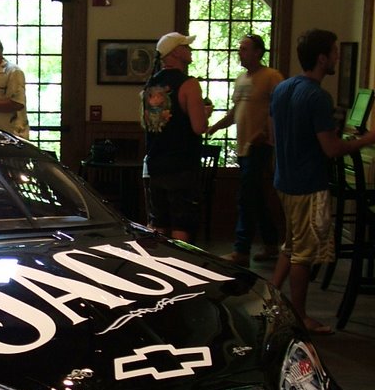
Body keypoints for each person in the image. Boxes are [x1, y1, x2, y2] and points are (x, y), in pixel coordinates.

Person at [271, 28, 375, 335]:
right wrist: (368, 139)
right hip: (308, 183)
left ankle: (272, 299)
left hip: (284, 179)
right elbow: (331, 149)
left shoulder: (283, 88)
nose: (337, 58)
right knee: (304, 254)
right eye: (334, 53)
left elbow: (278, 135)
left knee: (291, 245)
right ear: (321, 58)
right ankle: (300, 316)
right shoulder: (317, 96)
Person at [209, 34, 284, 267]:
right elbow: (235, 112)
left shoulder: (272, 77)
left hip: (259, 146)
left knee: (245, 196)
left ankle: (241, 249)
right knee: (256, 198)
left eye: (244, 49)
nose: (240, 52)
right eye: (240, 48)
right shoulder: (241, 79)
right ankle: (272, 243)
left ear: (258, 52)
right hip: (242, 147)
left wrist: (266, 133)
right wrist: (213, 127)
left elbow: (280, 109)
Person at [140, 32, 209, 241]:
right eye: (186, 47)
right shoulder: (188, 84)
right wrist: (205, 113)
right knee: (182, 223)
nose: (189, 51)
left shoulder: (150, 85)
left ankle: (157, 266)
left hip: (155, 165)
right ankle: (181, 268)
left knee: (158, 223)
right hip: (181, 165)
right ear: (176, 52)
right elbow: (199, 127)